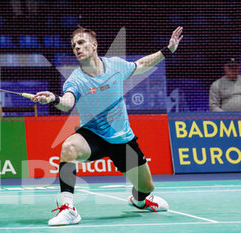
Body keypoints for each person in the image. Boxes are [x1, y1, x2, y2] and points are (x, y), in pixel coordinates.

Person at [32, 26, 183, 226]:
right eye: (74, 45)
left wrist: (167, 50)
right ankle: (68, 209)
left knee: (147, 187)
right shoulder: (76, 79)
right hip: (93, 135)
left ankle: (140, 201)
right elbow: (67, 102)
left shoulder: (116, 66)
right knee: (69, 147)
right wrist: (54, 98)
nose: (77, 48)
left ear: (94, 45)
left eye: (81, 43)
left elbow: (140, 65)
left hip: (122, 138)